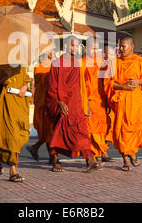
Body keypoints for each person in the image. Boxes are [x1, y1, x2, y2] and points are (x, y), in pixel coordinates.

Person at [45, 35, 101, 173]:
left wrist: (85, 104)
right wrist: (59, 103)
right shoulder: (56, 63)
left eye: (76, 46)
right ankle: (56, 161)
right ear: (65, 46)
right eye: (72, 45)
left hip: (75, 104)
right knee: (59, 133)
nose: (74, 48)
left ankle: (90, 161)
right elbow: (51, 87)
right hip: (62, 104)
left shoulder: (77, 63)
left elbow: (80, 86)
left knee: (81, 131)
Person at [109, 37, 142, 171]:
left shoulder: (141, 63)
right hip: (121, 101)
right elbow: (109, 83)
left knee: (135, 129)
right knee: (121, 131)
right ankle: (126, 159)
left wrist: (139, 82)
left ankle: (132, 153)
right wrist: (124, 87)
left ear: (131, 46)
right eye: (119, 47)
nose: (120, 49)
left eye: (123, 46)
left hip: (136, 103)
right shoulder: (114, 63)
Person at [83, 38, 114, 163]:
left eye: (97, 48)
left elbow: (107, 82)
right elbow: (80, 86)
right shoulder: (82, 63)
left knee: (103, 127)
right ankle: (93, 156)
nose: (95, 51)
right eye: (92, 48)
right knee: (91, 130)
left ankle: (102, 152)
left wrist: (108, 100)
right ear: (85, 48)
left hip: (101, 100)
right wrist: (85, 102)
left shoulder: (102, 62)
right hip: (89, 100)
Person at [26, 51, 54, 163]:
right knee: (47, 130)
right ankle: (52, 158)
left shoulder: (53, 64)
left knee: (50, 130)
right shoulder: (39, 67)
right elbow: (43, 81)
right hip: (43, 102)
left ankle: (36, 147)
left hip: (52, 101)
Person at [102, 44, 117, 145]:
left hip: (113, 100)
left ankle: (104, 152)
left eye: (113, 54)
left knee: (110, 126)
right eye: (110, 54)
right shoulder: (99, 66)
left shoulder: (116, 65)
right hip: (101, 101)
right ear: (104, 54)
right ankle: (103, 153)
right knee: (103, 127)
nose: (112, 56)